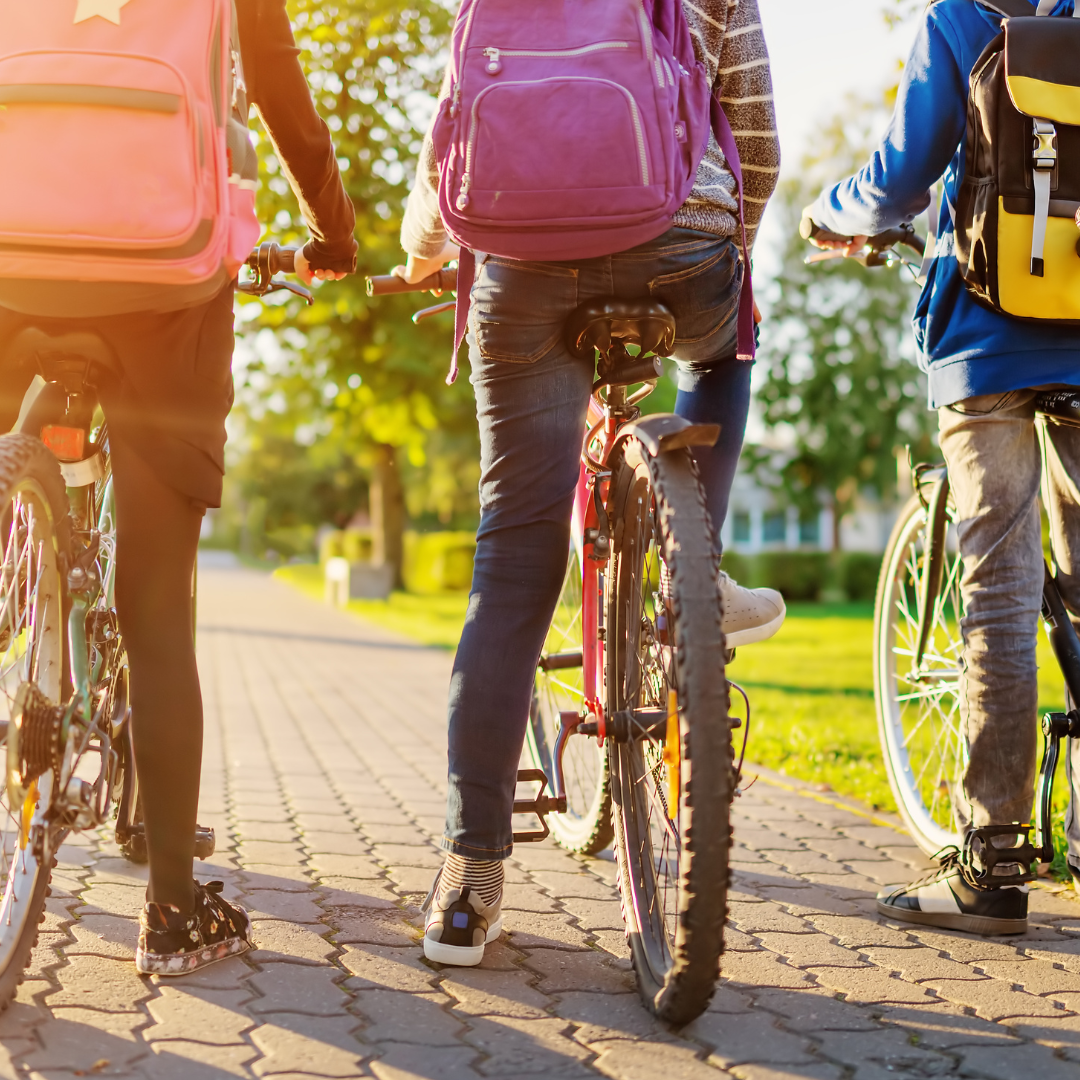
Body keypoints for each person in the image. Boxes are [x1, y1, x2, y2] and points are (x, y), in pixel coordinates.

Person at [395, 0, 782, 965]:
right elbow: (758, 134)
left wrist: (424, 249)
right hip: (680, 238)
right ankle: (696, 586)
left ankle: (469, 875)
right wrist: (737, 234)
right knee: (727, 346)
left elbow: (459, 105)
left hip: (523, 255)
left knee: (515, 562)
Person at [0, 0, 356, 975]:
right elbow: (279, 90)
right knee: (156, 610)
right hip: (167, 280)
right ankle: (171, 907)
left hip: (10, 257)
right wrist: (335, 233)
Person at [804, 0, 1080, 935]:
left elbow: (896, 184)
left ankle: (991, 862)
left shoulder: (961, 18)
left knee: (997, 587)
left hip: (987, 345)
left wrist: (827, 213)